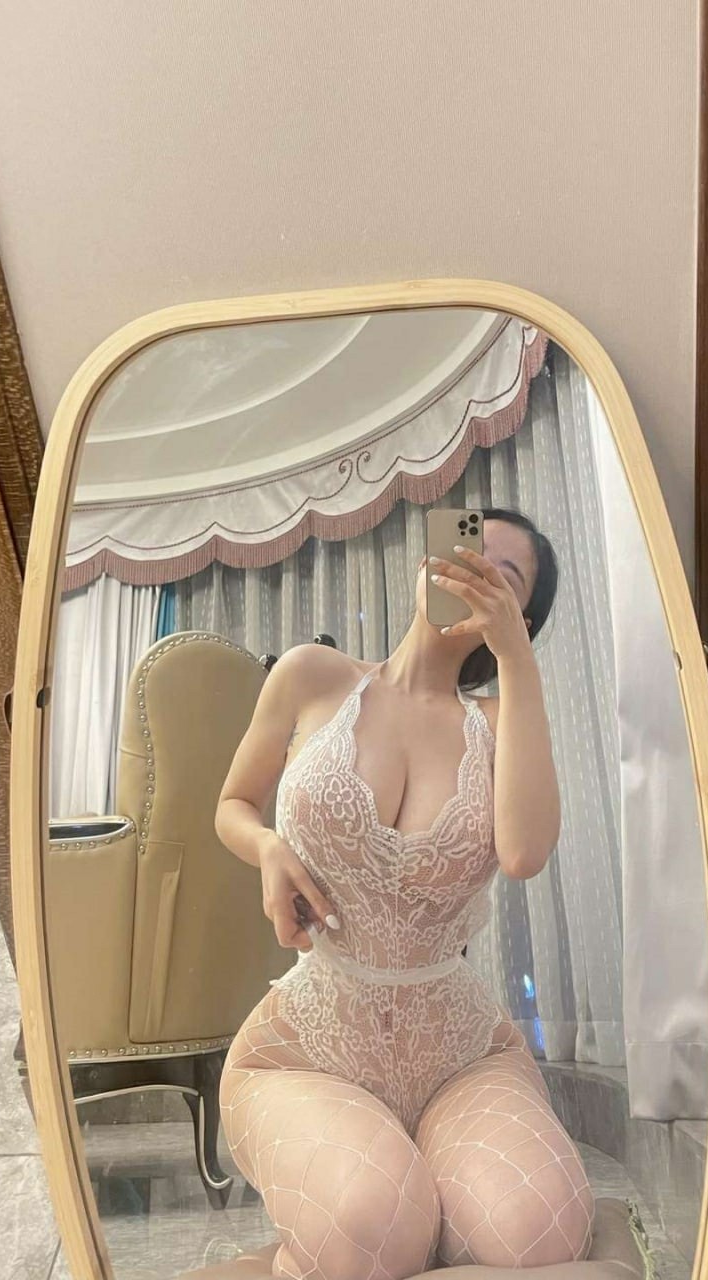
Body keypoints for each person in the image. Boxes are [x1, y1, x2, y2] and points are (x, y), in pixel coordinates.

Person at [215, 508, 594, 1280]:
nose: (469, 569)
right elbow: (233, 805)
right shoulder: (311, 676)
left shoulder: (501, 721)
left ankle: (418, 1189)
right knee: (373, 1225)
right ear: (426, 559)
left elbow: (523, 853)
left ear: (519, 618)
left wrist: (516, 662)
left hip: (458, 1052)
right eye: (465, 547)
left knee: (542, 1233)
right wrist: (269, 849)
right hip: (307, 1049)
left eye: (500, 574)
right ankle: (384, 1206)